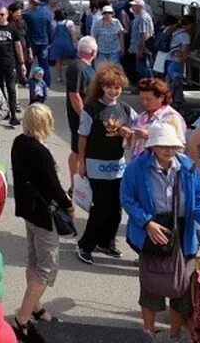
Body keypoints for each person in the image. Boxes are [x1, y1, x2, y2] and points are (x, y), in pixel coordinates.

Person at [120, 123, 200, 341]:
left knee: (182, 289)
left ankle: (174, 336)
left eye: (173, 146)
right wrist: (147, 223)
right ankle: (148, 332)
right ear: (153, 146)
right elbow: (128, 199)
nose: (169, 151)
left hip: (183, 231)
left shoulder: (189, 168)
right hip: (153, 230)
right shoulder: (136, 168)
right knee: (150, 286)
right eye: (163, 146)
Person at [11, 103, 73, 342]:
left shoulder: (18, 142)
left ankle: (36, 307)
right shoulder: (40, 151)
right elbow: (53, 187)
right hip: (43, 214)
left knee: (33, 260)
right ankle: (23, 318)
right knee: (46, 268)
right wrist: (68, 203)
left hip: (28, 210)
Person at [76, 63, 137, 265]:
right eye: (110, 87)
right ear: (102, 87)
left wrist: (128, 136)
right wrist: (81, 163)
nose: (114, 91)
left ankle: (106, 241)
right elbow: (82, 137)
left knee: (116, 209)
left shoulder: (126, 110)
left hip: (117, 165)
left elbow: (136, 134)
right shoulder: (91, 109)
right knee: (101, 207)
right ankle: (86, 245)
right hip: (96, 164)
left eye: (117, 87)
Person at [65, 36, 98, 192]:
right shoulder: (77, 68)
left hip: (88, 116)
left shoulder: (87, 67)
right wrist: (84, 117)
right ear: (93, 52)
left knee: (80, 151)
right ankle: (74, 185)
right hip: (80, 118)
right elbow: (74, 95)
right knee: (77, 151)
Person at [0, 6, 26, 126]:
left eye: (2, 14)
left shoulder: (13, 28)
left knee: (11, 89)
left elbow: (18, 46)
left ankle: (13, 115)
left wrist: (22, 63)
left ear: (7, 15)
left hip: (10, 63)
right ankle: (4, 111)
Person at [130, 78, 187, 158]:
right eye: (142, 99)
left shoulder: (172, 118)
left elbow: (179, 147)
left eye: (149, 99)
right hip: (139, 165)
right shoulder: (141, 117)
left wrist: (150, 135)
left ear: (161, 98)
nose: (144, 102)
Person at [23, 0, 55, 88]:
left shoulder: (28, 15)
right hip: (44, 42)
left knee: (28, 61)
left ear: (31, 4)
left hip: (33, 42)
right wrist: (49, 40)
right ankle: (47, 82)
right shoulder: (46, 14)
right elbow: (50, 29)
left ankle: (25, 79)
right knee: (44, 64)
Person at [129, 0, 155, 83]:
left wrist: (141, 49)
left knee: (143, 69)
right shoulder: (140, 16)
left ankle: (145, 86)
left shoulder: (143, 18)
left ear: (140, 7)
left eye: (134, 6)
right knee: (142, 67)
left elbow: (144, 35)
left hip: (143, 48)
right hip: (139, 47)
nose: (132, 7)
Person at [49, 10, 77, 83]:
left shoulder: (54, 23)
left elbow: (52, 34)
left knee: (58, 61)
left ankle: (59, 76)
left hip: (57, 44)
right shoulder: (70, 23)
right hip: (67, 43)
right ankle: (70, 76)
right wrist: (75, 44)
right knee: (70, 61)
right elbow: (73, 35)